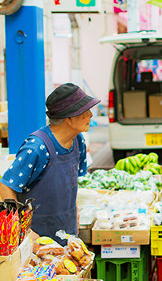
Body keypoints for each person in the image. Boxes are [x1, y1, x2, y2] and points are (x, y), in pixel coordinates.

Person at [0, 83, 100, 245]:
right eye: (85, 111)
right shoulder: (37, 147)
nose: (90, 115)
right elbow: (6, 186)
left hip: (67, 232)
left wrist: (75, 212)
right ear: (69, 118)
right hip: (37, 238)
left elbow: (72, 182)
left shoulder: (78, 141)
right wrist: (24, 229)